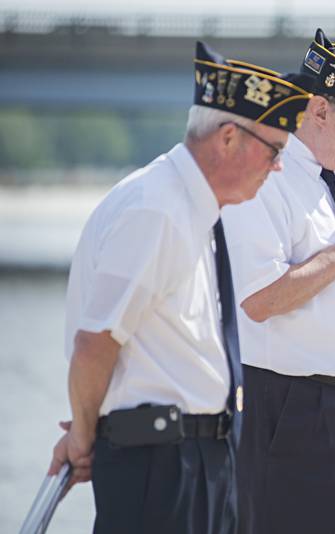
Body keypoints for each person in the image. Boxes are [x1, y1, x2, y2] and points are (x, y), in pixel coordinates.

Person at [46, 42, 313, 534]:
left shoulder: (191, 208)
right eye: (275, 150)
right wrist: (83, 438)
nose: (278, 167)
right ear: (229, 138)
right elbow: (95, 342)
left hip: (194, 458)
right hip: (160, 463)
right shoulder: (156, 209)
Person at [221, 28, 335, 534]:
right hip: (296, 408)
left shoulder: (332, 186)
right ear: (320, 110)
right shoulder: (269, 179)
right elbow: (258, 300)